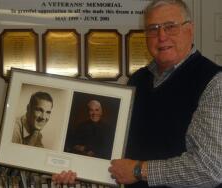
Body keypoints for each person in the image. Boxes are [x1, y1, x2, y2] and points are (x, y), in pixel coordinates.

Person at [52, 0, 222, 187]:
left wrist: (138, 170)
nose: (161, 36)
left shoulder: (214, 82)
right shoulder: (137, 80)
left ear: (190, 29)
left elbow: (211, 168)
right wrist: (79, 167)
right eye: (153, 29)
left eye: (170, 27)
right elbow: (120, 150)